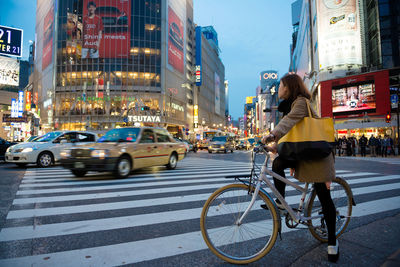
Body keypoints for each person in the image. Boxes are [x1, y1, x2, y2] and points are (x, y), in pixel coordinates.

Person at [261, 73, 339, 262]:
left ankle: (332, 241)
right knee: (278, 162)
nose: (278, 89)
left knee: (323, 195)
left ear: (288, 87)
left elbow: (289, 123)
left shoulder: (301, 102)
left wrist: (272, 134)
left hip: (318, 155)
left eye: (280, 85)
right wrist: (275, 146)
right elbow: (293, 133)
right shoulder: (291, 105)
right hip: (305, 152)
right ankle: (281, 203)